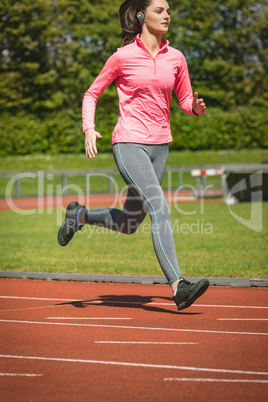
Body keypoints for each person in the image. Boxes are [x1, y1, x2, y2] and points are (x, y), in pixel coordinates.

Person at [58, 0, 209, 311]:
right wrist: (89, 127)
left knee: (129, 222)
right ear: (142, 16)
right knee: (160, 209)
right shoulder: (123, 57)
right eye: (159, 11)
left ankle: (79, 215)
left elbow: (182, 100)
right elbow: (92, 93)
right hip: (129, 143)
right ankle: (179, 286)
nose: (167, 15)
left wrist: (194, 108)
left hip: (160, 146)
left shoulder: (177, 58)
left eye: (168, 11)